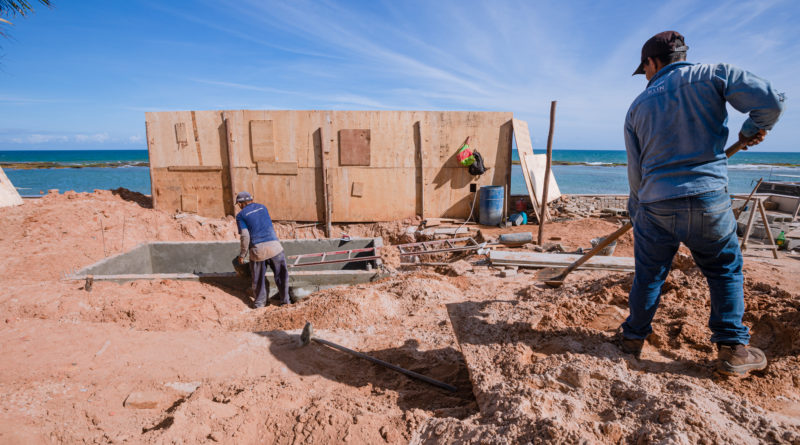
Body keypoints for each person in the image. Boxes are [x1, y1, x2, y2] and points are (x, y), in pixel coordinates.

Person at [621, 31, 785, 376]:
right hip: (707, 198)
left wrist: (637, 210)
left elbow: (636, 171)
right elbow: (770, 102)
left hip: (655, 204)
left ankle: (632, 338)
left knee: (649, 275)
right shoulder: (713, 74)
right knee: (724, 269)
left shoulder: (637, 106)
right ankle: (732, 348)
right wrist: (751, 128)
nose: (646, 76)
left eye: (645, 69)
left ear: (652, 62)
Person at [235, 191, 290, 308]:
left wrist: (242, 254)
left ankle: (260, 304)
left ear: (240, 204)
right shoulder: (263, 207)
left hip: (258, 251)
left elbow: (245, 236)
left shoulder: (240, 215)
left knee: (258, 279)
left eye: (239, 205)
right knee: (281, 276)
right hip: (276, 247)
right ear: (251, 199)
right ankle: (285, 302)